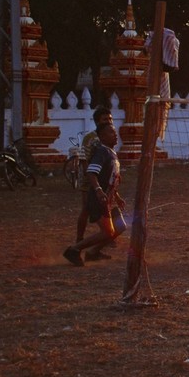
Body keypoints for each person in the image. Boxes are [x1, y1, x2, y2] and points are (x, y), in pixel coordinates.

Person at [63, 122, 126, 266]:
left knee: (120, 226)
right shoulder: (102, 152)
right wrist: (98, 190)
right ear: (102, 137)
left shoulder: (112, 153)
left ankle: (93, 252)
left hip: (109, 198)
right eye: (111, 132)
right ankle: (74, 249)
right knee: (107, 232)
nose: (115, 135)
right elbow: (91, 172)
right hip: (99, 198)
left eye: (115, 132)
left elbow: (112, 179)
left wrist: (117, 197)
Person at [75, 106, 113, 243]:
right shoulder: (89, 138)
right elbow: (84, 160)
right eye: (105, 119)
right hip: (89, 178)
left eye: (110, 119)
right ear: (97, 122)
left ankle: (105, 237)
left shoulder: (109, 136)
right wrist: (91, 179)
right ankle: (79, 240)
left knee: (105, 206)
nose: (108, 121)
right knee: (86, 208)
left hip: (103, 178)